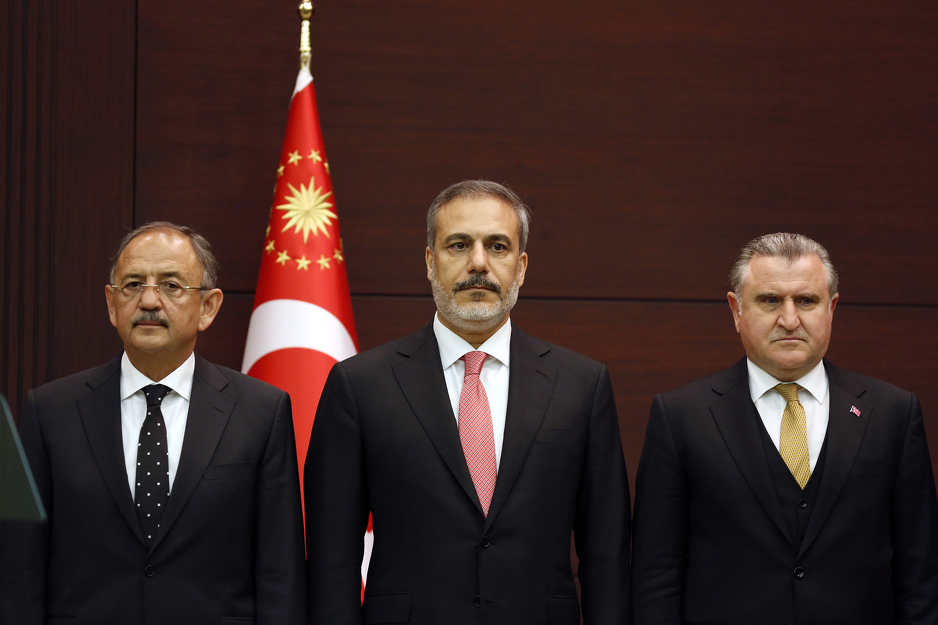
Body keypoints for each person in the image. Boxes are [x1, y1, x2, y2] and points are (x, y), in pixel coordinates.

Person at [305, 180, 630, 624]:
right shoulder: (360, 385)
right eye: (458, 245)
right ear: (429, 262)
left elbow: (606, 554)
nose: (478, 263)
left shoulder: (581, 385)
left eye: (498, 246)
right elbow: (331, 561)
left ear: (521, 266)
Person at [0, 222, 307, 624]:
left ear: (208, 307)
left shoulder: (261, 412)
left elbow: (280, 573)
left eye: (171, 285)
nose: (148, 300)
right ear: (112, 304)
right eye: (132, 285)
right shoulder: (49, 410)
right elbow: (20, 566)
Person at [631, 232, 938, 624]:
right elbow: (656, 574)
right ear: (736, 310)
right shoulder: (681, 416)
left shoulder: (893, 412)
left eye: (806, 301)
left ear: (832, 309)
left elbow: (920, 574)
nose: (789, 319)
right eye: (770, 300)